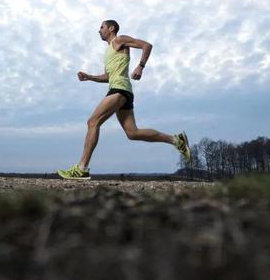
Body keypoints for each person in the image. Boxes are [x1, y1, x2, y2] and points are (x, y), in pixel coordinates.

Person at [57, 19, 191, 180]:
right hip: (121, 90)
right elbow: (108, 77)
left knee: (93, 122)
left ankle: (82, 168)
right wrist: (89, 77)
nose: (99, 30)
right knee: (132, 133)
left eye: (102, 27)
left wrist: (140, 66)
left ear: (111, 28)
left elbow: (147, 45)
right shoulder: (108, 52)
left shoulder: (119, 40)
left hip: (119, 90)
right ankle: (176, 140)